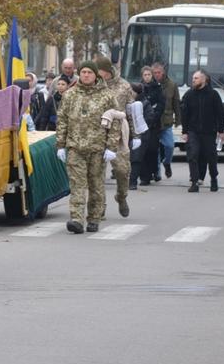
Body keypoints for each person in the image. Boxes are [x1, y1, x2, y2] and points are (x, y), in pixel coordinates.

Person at [55, 62, 122, 234]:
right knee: (77, 184)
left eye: (89, 72)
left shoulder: (107, 96)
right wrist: (60, 145)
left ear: (95, 75)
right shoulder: (70, 95)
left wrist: (111, 147)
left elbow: (116, 121)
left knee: (96, 185)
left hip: (97, 149)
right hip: (75, 147)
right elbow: (62, 120)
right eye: (83, 72)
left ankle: (93, 218)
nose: (85, 75)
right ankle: (76, 219)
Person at [96, 55, 136, 218]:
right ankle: (100, 207)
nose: (97, 75)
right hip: (97, 133)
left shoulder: (123, 86)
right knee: (97, 174)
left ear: (107, 71)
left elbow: (131, 111)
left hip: (118, 134)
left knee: (122, 170)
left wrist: (136, 134)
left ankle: (121, 197)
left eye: (100, 72)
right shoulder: (93, 85)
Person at [181, 70, 224, 192]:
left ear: (204, 80)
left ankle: (214, 179)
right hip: (193, 131)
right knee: (193, 155)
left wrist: (221, 131)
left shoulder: (213, 95)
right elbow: (185, 114)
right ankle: (194, 182)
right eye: (193, 78)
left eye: (196, 78)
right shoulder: (189, 95)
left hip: (209, 132)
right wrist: (184, 131)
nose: (193, 80)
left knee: (210, 157)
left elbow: (220, 113)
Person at [136, 66, 165, 188]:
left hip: (153, 124)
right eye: (145, 75)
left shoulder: (157, 88)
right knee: (143, 150)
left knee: (152, 149)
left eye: (149, 74)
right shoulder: (139, 88)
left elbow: (161, 105)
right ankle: (144, 176)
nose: (147, 77)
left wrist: (154, 116)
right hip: (140, 123)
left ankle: (154, 169)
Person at [152, 62, 181, 179]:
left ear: (163, 72)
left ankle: (167, 162)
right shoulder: (150, 84)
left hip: (166, 121)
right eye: (154, 73)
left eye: (158, 72)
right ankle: (157, 173)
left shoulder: (172, 85)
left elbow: (176, 104)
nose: (156, 75)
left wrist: (179, 120)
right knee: (155, 149)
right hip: (153, 122)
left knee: (169, 145)